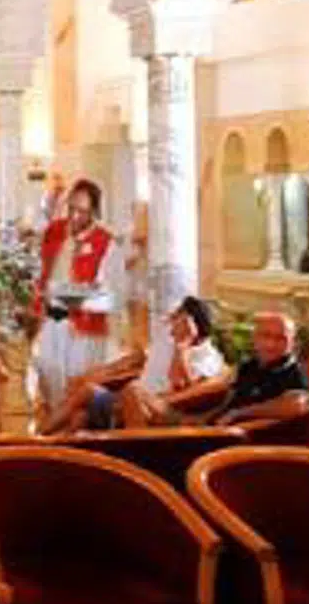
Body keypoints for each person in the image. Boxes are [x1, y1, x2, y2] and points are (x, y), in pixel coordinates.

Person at [29, 180, 140, 426]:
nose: (75, 216)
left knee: (75, 384)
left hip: (84, 329)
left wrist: (62, 294)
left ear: (94, 212)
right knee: (46, 374)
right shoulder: (55, 231)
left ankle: (64, 434)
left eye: (82, 211)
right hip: (50, 322)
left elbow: (112, 297)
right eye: (71, 209)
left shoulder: (106, 244)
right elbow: (37, 261)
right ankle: (53, 427)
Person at [112, 294, 229, 428]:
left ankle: (138, 440)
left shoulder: (208, 357)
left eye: (179, 317)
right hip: (138, 401)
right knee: (98, 397)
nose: (173, 321)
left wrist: (182, 349)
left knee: (132, 391)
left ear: (190, 325)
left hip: (162, 408)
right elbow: (142, 354)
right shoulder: (168, 338)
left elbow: (182, 387)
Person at [210, 311, 309, 425]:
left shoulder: (293, 371)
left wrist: (240, 413)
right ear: (254, 338)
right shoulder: (249, 365)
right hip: (219, 425)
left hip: (244, 432)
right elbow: (229, 398)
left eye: (281, 338)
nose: (271, 344)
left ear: (292, 343)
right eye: (266, 335)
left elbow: (296, 404)